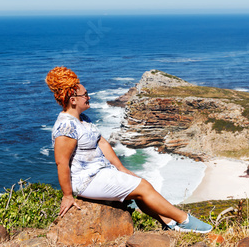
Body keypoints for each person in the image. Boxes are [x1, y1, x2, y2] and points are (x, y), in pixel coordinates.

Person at [45, 66, 212, 234]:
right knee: (143, 187)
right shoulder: (66, 126)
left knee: (139, 189)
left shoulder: (83, 119)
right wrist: (67, 195)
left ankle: (169, 223)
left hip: (100, 173)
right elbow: (62, 162)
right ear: (73, 100)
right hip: (87, 181)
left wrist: (122, 169)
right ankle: (184, 219)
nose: (89, 97)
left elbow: (102, 143)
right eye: (85, 94)